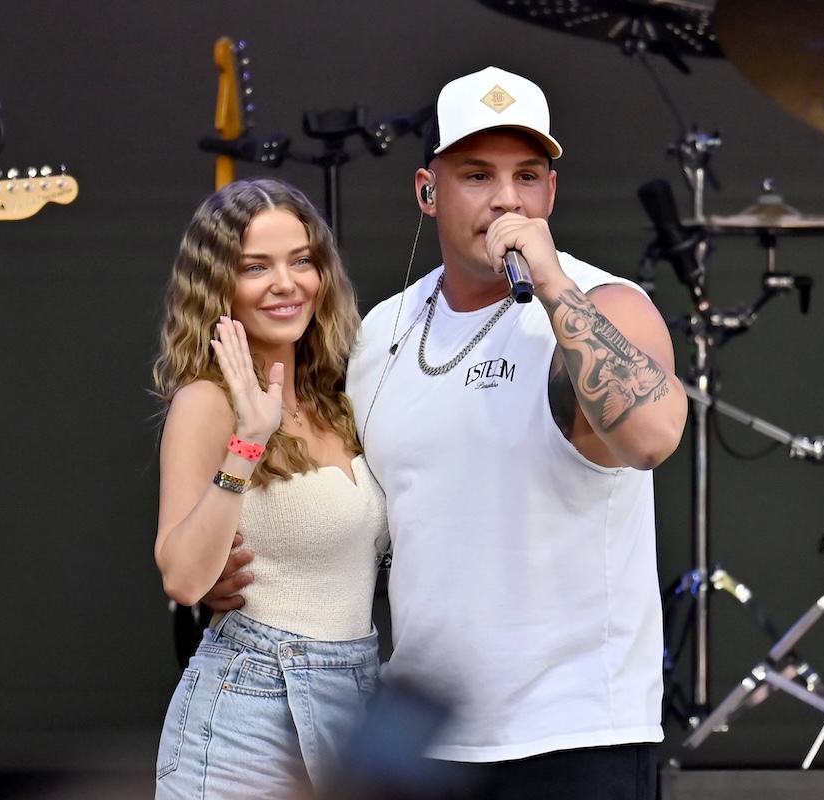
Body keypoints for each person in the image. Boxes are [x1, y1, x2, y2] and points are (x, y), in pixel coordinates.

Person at [208, 67, 687, 799]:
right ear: (428, 191)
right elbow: (360, 517)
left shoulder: (607, 307)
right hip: (420, 735)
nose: (506, 199)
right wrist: (238, 567)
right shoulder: (381, 334)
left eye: (528, 175)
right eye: (477, 174)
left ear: (551, 193)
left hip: (573, 731)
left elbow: (652, 438)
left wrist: (554, 283)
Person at [150, 176, 390, 800]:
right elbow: (182, 578)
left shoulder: (340, 395)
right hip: (250, 703)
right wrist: (248, 440)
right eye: (256, 267)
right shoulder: (207, 402)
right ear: (219, 288)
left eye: (301, 260)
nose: (286, 284)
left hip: (356, 700)